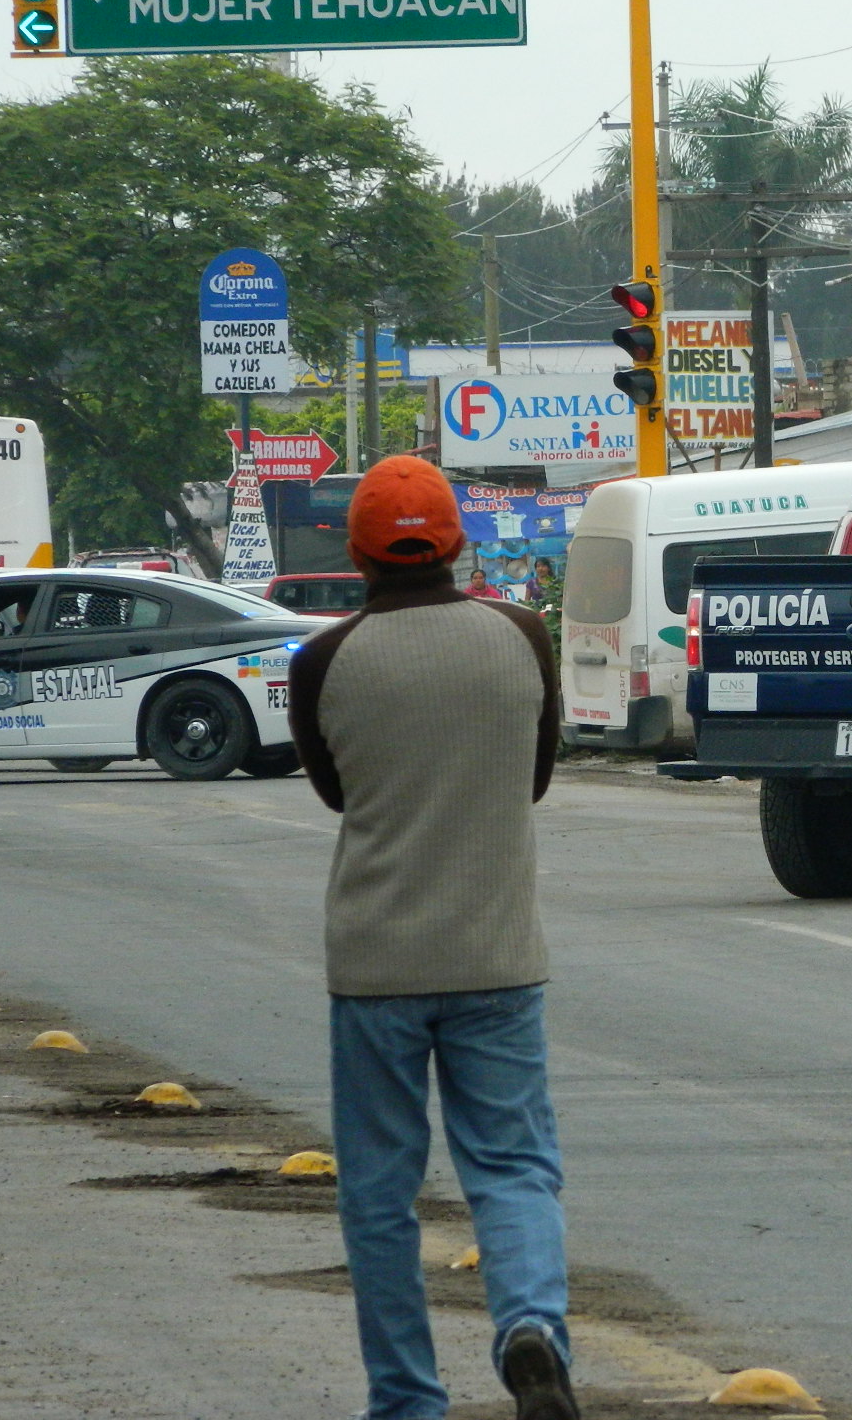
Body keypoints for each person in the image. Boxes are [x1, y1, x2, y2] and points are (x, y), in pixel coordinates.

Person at [288, 456, 577, 1420]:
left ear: (358, 551)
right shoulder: (522, 636)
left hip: (374, 963)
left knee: (379, 1194)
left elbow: (340, 793)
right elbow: (533, 779)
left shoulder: (323, 662)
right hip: (497, 954)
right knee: (513, 1168)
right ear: (455, 541)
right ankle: (529, 1324)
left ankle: (407, 1400)